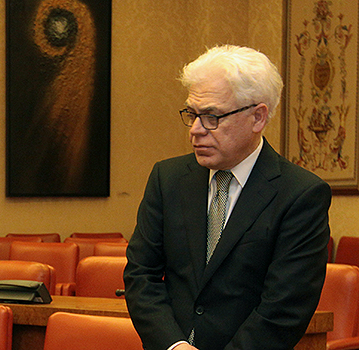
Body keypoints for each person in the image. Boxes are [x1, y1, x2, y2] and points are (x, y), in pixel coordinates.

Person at [124, 45, 331, 350]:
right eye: (192, 114)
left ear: (257, 118)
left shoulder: (300, 195)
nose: (196, 130)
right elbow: (141, 275)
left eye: (211, 117)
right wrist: (174, 345)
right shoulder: (167, 179)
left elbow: (284, 310)